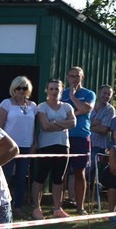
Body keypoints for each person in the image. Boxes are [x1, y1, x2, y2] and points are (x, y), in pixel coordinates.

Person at [31, 79, 76, 220]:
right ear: (47, 90)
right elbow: (45, 126)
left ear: (61, 90)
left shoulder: (67, 106)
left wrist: (55, 122)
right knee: (41, 177)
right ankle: (36, 208)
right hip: (46, 146)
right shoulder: (42, 107)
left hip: (63, 145)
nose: (54, 91)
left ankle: (57, 208)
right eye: (51, 88)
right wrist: (63, 124)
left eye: (57, 89)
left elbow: (73, 123)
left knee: (58, 178)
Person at [0, 76, 36, 212]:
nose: (21, 90)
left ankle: (18, 206)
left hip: (26, 146)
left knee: (21, 177)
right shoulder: (6, 104)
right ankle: (2, 205)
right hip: (9, 146)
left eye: (24, 88)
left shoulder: (33, 106)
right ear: (13, 89)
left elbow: (34, 126)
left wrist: (34, 144)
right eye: (18, 87)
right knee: (5, 176)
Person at [61, 66, 95, 214]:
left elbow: (86, 109)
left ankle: (80, 207)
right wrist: (77, 112)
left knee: (79, 172)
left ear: (82, 77)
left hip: (81, 136)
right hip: (63, 136)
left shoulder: (89, 94)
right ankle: (59, 206)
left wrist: (73, 97)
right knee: (61, 172)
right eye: (71, 76)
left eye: (77, 76)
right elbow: (59, 113)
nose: (74, 78)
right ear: (67, 77)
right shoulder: (61, 94)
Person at [89, 85, 115, 180]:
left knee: (91, 171)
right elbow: (80, 122)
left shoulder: (110, 110)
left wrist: (87, 125)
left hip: (98, 146)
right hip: (85, 143)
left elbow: (104, 129)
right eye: (105, 93)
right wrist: (97, 122)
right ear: (99, 93)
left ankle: (90, 193)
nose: (106, 96)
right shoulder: (89, 106)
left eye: (109, 94)